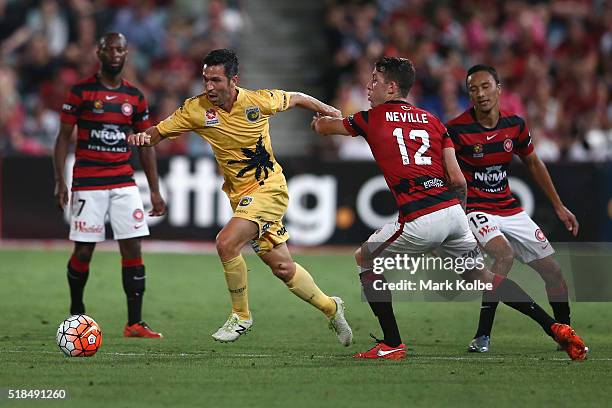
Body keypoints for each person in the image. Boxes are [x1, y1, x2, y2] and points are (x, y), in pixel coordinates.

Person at [311, 56, 586, 361]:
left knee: (364, 257)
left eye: (374, 79)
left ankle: (391, 343)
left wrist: (321, 114)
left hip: (419, 216)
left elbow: (324, 128)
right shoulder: (434, 122)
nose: (368, 85)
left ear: (391, 87)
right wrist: (452, 224)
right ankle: (554, 327)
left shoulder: (369, 118)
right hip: (454, 213)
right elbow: (458, 180)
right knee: (479, 275)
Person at [128, 48, 352, 346]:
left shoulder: (258, 100)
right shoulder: (196, 110)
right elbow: (158, 132)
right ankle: (331, 307)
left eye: (216, 80)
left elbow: (297, 96)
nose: (209, 86)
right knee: (283, 268)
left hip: (269, 188)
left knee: (226, 242)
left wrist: (328, 110)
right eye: (206, 79)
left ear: (234, 80)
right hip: (240, 196)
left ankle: (241, 315)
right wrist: (144, 137)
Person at [446, 65, 579, 353]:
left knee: (554, 272)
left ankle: (565, 331)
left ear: (498, 88)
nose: (480, 94)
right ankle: (483, 335)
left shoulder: (515, 125)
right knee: (503, 254)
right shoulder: (456, 130)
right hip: (476, 209)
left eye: (485, 87)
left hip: (509, 208)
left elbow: (533, 163)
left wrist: (558, 206)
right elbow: (445, 173)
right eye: (473, 89)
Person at [53, 32, 167, 338]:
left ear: (127, 55)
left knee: (132, 245)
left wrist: (155, 190)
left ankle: (134, 323)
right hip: (89, 182)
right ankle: (76, 314)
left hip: (124, 182)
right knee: (84, 250)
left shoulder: (135, 97)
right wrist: (60, 181)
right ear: (99, 53)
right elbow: (63, 137)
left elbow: (146, 145)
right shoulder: (81, 91)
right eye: (111, 49)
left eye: (122, 49)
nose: (117, 54)